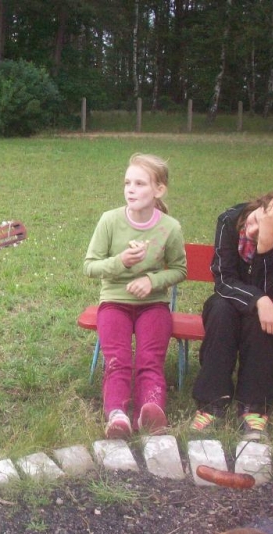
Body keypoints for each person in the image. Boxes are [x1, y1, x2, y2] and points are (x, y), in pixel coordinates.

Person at [189, 192, 273, 441]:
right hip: (233, 298)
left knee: (262, 323)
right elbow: (224, 279)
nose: (254, 231)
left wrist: (265, 247)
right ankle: (211, 403)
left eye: (267, 231)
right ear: (260, 205)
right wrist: (258, 300)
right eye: (258, 220)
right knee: (220, 310)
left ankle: (254, 407)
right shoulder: (230, 219)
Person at [84, 153, 187, 439]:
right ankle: (117, 415)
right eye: (127, 182)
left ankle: (150, 410)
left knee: (149, 359)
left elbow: (180, 269)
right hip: (114, 303)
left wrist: (152, 280)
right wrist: (122, 263)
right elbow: (89, 266)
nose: (131, 189)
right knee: (117, 359)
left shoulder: (170, 227)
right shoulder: (109, 221)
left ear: (159, 190)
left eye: (140, 183)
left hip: (153, 305)